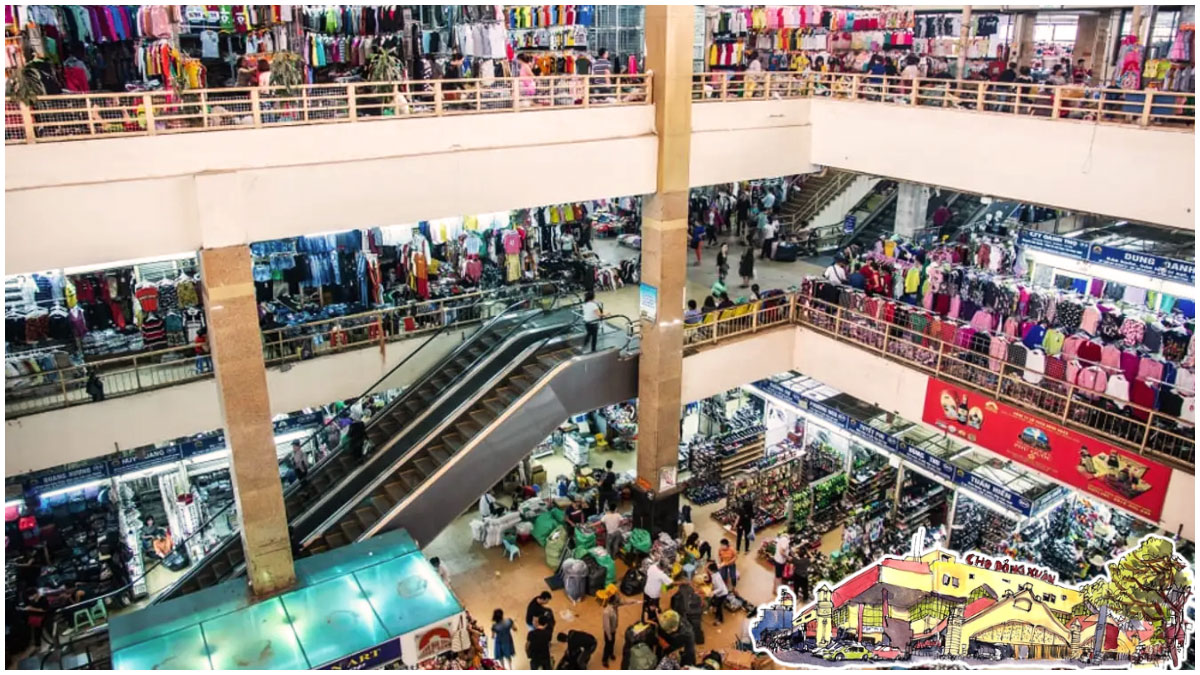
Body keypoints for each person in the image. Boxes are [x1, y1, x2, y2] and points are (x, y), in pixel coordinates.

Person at [601, 594, 620, 667]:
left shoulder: (614, 607)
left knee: (612, 643)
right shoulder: (607, 612)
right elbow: (606, 625)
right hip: (608, 632)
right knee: (608, 644)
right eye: (617, 601)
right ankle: (604, 659)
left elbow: (624, 602)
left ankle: (611, 653)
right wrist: (609, 635)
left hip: (613, 629)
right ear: (613, 602)